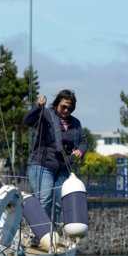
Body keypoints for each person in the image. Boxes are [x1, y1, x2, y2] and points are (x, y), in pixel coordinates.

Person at [24, 89, 88, 223]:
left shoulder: (75, 123)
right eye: (63, 106)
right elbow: (28, 120)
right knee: (45, 198)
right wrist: (38, 107)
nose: (66, 110)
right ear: (57, 103)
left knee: (59, 202)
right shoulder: (46, 114)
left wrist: (80, 151)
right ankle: (39, 234)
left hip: (64, 167)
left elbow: (83, 141)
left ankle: (55, 234)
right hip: (43, 163)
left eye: (70, 108)